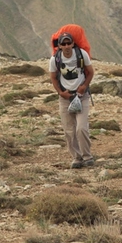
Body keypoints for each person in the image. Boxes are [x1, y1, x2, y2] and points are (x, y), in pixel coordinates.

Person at [49, 32, 95, 168]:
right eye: (63, 44)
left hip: (82, 96)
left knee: (81, 128)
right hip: (65, 98)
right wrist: (61, 93)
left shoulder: (81, 54)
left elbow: (90, 72)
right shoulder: (55, 59)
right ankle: (76, 158)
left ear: (73, 43)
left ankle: (87, 156)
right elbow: (53, 77)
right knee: (69, 130)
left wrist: (84, 86)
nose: (67, 46)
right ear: (59, 46)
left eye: (69, 43)